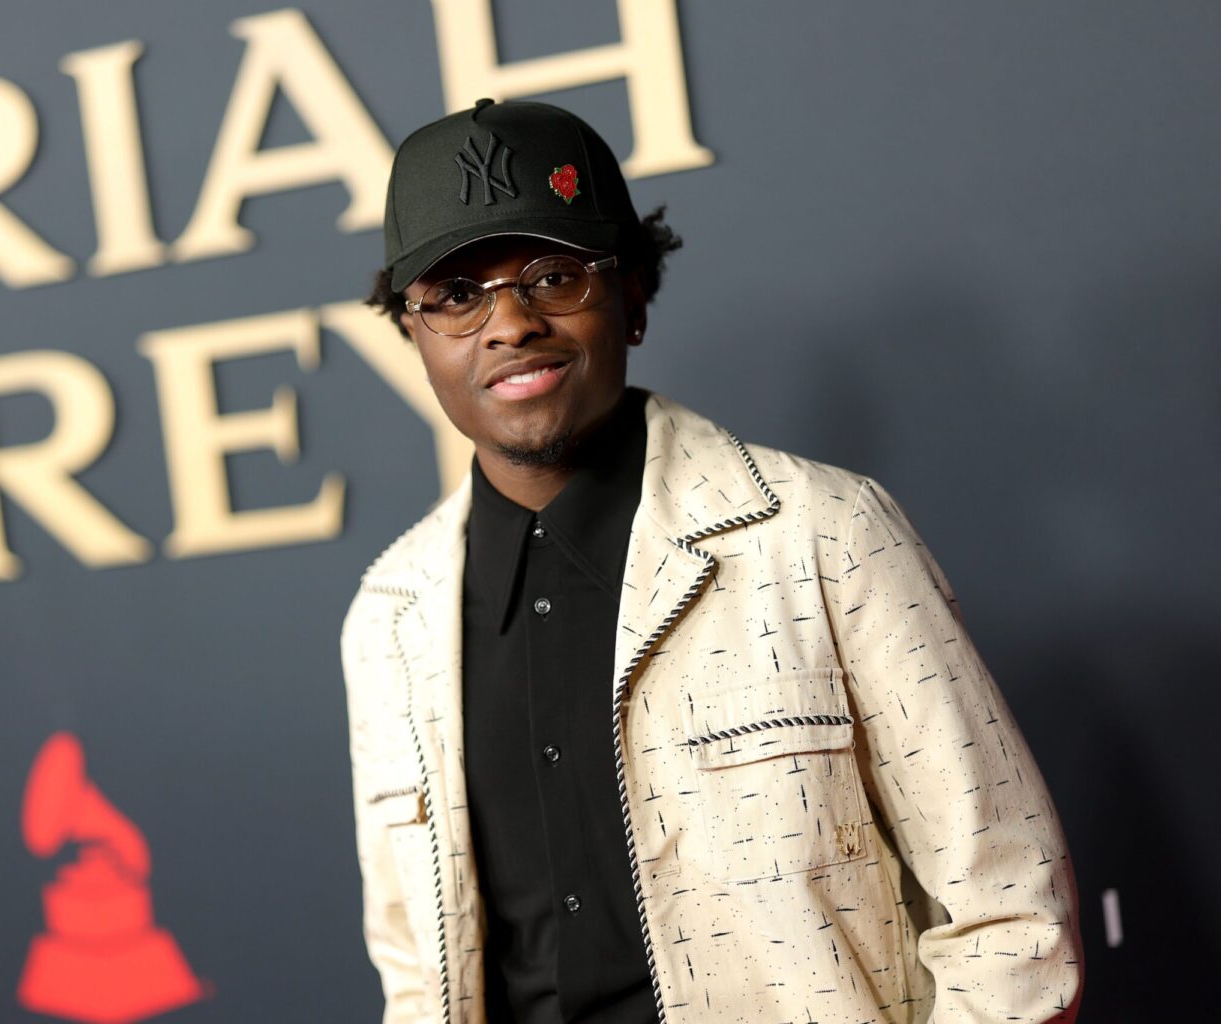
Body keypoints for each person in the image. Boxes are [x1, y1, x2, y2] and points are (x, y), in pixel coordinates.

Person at [340, 98, 1081, 1024]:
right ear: (412, 332)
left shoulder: (825, 533)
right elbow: (416, 975)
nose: (510, 323)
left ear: (635, 296)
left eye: (555, 275)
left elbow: (1010, 913)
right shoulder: (390, 615)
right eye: (458, 296)